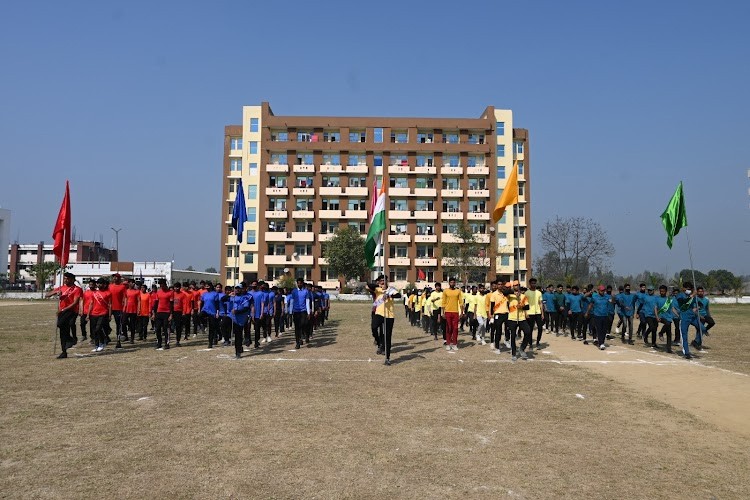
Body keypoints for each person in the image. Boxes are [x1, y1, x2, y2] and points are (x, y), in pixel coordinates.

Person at [46, 272, 83, 358]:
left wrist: (63, 309)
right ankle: (64, 351)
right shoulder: (61, 287)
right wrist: (55, 293)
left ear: (72, 280)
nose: (65, 280)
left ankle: (72, 339)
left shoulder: (77, 289)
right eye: (65, 278)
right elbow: (47, 295)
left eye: (67, 278)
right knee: (62, 330)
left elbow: (75, 303)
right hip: (62, 311)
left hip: (71, 311)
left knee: (65, 324)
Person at [368, 274, 399, 365]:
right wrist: (379, 286)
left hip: (389, 315)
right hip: (379, 313)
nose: (383, 282)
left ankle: (387, 358)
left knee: (388, 336)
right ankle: (378, 342)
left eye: (384, 280)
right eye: (381, 280)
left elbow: (398, 295)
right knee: (374, 327)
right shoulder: (378, 289)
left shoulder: (391, 290)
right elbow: (368, 285)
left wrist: (389, 296)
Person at [675, 281, 701, 359]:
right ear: (683, 288)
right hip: (684, 318)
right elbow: (684, 300)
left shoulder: (693, 296)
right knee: (684, 336)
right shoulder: (680, 295)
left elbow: (699, 304)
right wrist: (692, 295)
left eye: (690, 289)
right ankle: (686, 352)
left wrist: (697, 308)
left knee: (702, 328)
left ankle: (696, 342)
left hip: (692, 317)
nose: (689, 290)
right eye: (687, 289)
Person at [506, 281, 531, 360]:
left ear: (519, 286)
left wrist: (521, 306)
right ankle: (514, 353)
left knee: (528, 331)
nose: (516, 286)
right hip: (512, 318)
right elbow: (504, 292)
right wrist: (513, 292)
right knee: (513, 336)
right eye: (514, 285)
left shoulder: (523, 296)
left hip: (521, 318)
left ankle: (522, 348)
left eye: (517, 285)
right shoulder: (509, 295)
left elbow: (527, 307)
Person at [227, 284, 252, 358]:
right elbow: (222, 299)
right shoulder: (232, 297)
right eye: (236, 288)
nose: (237, 290)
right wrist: (229, 295)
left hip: (240, 320)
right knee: (224, 323)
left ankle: (238, 351)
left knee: (238, 336)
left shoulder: (245, 298)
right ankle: (226, 338)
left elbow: (246, 308)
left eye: (238, 288)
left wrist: (237, 311)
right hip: (232, 318)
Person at [88, 277, 112, 353]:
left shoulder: (108, 293)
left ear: (104, 284)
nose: (99, 285)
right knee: (94, 330)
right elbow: (91, 304)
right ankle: (96, 345)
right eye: (98, 283)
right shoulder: (94, 293)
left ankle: (102, 343)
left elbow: (110, 304)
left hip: (103, 313)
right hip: (94, 313)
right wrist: (88, 314)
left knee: (98, 328)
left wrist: (110, 315)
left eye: (101, 283)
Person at [586, 285, 613, 350]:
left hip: (605, 315)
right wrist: (587, 312)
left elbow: (612, 302)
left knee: (604, 330)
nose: (603, 291)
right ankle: (601, 343)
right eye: (601, 290)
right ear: (598, 290)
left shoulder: (607, 297)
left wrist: (613, 297)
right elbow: (591, 305)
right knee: (599, 329)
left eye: (604, 290)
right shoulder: (594, 297)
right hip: (597, 315)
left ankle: (602, 342)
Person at [441, 277, 463, 351]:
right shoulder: (445, 291)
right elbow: (443, 302)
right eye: (451, 282)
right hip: (447, 312)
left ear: (455, 283)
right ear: (449, 283)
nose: (452, 284)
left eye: (453, 282)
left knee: (455, 328)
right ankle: (448, 343)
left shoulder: (458, 291)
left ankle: (455, 344)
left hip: (455, 312)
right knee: (449, 328)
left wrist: (462, 312)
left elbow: (461, 302)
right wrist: (443, 312)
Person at [289, 278, 312, 349]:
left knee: (303, 324)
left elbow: (307, 302)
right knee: (297, 328)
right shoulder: (294, 291)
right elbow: (292, 302)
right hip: (296, 311)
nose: (299, 284)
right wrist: (290, 311)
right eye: (298, 283)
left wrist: (308, 313)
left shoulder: (306, 292)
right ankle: (298, 342)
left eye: (300, 283)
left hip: (303, 311)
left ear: (302, 283)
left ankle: (304, 334)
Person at [153, 279, 174, 350]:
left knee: (166, 329)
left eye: (162, 285)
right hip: (159, 312)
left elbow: (171, 304)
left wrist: (171, 314)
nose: (161, 286)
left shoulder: (170, 293)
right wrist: (154, 313)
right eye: (160, 285)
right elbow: (156, 303)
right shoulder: (158, 292)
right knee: (158, 328)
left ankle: (166, 343)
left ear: (165, 284)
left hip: (167, 312)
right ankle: (159, 343)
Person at [108, 273, 128, 348]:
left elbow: (125, 298)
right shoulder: (110, 286)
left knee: (118, 325)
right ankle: (107, 333)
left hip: (118, 308)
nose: (115, 278)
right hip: (109, 308)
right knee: (103, 322)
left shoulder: (122, 287)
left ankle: (118, 340)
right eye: (114, 277)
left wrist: (124, 307)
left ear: (119, 278)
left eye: (116, 277)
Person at [654, 285, 675, 353]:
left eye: (663, 291)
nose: (661, 292)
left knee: (669, 333)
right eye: (660, 291)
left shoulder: (668, 299)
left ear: (666, 291)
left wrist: (678, 315)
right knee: (667, 323)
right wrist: (657, 316)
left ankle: (669, 348)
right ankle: (661, 333)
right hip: (661, 316)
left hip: (668, 317)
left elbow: (672, 308)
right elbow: (655, 308)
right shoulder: (657, 298)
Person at [525, 278, 544, 348]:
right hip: (530, 313)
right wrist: (526, 313)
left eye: (535, 283)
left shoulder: (539, 293)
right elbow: (525, 304)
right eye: (532, 283)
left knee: (540, 328)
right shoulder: (526, 293)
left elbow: (541, 303)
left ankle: (538, 342)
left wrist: (542, 313)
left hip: (538, 313)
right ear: (530, 284)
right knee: (530, 329)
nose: (534, 284)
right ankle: (530, 343)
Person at [200, 282, 220, 348]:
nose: (207, 287)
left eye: (208, 286)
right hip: (205, 310)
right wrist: (200, 310)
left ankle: (210, 342)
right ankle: (203, 325)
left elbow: (217, 304)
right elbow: (202, 303)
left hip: (212, 312)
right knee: (198, 316)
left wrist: (217, 312)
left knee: (212, 328)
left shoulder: (215, 294)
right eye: (206, 286)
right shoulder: (204, 294)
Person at [123, 279, 140, 344]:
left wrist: (138, 309)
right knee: (123, 322)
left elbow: (139, 301)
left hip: (134, 310)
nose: (132, 284)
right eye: (131, 283)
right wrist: (124, 308)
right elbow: (125, 299)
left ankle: (132, 338)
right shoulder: (126, 291)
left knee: (133, 324)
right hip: (127, 309)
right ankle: (125, 335)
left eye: (133, 283)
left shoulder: (137, 291)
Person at [79, 279, 97, 343]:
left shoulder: (97, 292)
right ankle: (84, 335)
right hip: (85, 311)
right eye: (90, 284)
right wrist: (81, 310)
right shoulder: (86, 292)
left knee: (92, 326)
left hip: (93, 312)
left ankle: (93, 338)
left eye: (92, 284)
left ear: (95, 285)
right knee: (82, 324)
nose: (91, 286)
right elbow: (82, 301)